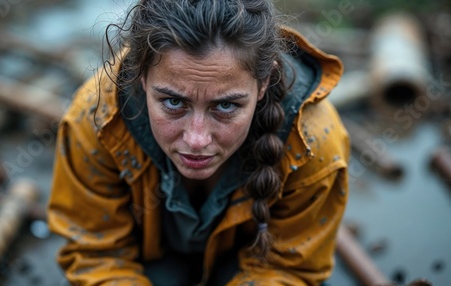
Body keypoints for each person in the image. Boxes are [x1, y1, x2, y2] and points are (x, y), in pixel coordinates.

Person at [47, 0, 350, 285]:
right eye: (173, 102)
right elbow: (97, 254)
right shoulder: (96, 120)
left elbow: (289, 268)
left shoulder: (311, 144)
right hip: (148, 264)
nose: (196, 139)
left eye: (226, 106)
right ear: (142, 78)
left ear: (264, 83)